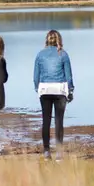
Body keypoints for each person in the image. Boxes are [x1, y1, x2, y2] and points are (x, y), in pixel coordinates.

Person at [33, 29, 74, 160]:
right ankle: (59, 153)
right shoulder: (63, 54)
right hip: (60, 90)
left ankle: (46, 151)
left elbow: (35, 77)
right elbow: (69, 76)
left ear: (47, 40)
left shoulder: (40, 54)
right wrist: (71, 90)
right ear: (58, 40)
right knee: (58, 121)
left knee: (46, 121)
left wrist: (37, 89)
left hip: (45, 89)